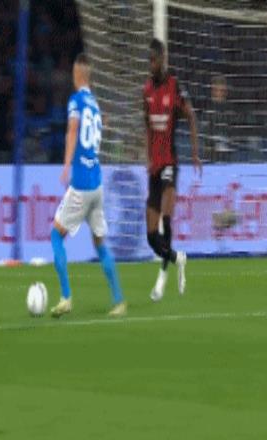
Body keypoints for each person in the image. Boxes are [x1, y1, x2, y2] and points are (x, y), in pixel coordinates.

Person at [50, 53, 126, 318]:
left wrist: (66, 164)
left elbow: (73, 130)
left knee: (56, 235)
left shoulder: (76, 101)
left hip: (81, 183)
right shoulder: (95, 105)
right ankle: (118, 300)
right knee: (100, 243)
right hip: (97, 183)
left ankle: (66, 297)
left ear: (77, 74)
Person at [143, 38, 201, 302]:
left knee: (166, 221)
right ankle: (178, 259)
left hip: (170, 164)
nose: (151, 64)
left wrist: (195, 153)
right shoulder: (146, 90)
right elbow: (147, 125)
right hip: (154, 168)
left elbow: (191, 116)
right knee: (151, 236)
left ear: (163, 59)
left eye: (154, 60)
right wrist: (147, 157)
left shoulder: (174, 86)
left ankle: (162, 279)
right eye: (149, 60)